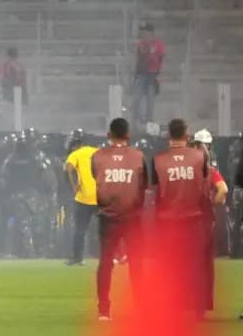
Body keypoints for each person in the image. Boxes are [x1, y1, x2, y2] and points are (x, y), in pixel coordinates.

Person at [150, 118, 210, 314]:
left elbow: (155, 191)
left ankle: (171, 306)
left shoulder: (158, 159)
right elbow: (204, 187)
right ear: (187, 135)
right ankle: (198, 308)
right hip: (193, 218)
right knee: (194, 265)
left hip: (167, 220)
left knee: (169, 266)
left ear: (168, 135)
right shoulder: (200, 157)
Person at [92, 117, 148, 321]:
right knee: (137, 264)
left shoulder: (98, 156)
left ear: (109, 135)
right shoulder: (138, 156)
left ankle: (104, 310)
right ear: (128, 136)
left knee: (106, 263)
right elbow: (143, 186)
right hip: (132, 217)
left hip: (108, 216)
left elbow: (96, 177)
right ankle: (141, 308)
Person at [193, 129, 227, 313]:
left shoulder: (193, 165)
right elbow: (223, 190)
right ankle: (202, 303)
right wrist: (213, 203)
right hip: (206, 219)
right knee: (205, 264)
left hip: (192, 219)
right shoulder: (210, 166)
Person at [64, 129, 99, 266]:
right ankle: (117, 255)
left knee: (80, 230)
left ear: (74, 144)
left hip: (83, 197)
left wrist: (74, 187)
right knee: (109, 229)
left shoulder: (75, 154)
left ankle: (77, 258)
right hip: (101, 196)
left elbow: (68, 169)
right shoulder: (97, 151)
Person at [131, 23, 164, 128]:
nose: (145, 34)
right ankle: (135, 121)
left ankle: (149, 123)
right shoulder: (141, 44)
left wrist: (159, 73)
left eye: (146, 32)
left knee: (150, 100)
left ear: (151, 33)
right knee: (137, 98)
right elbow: (139, 59)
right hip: (142, 74)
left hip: (152, 74)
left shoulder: (158, 44)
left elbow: (161, 59)